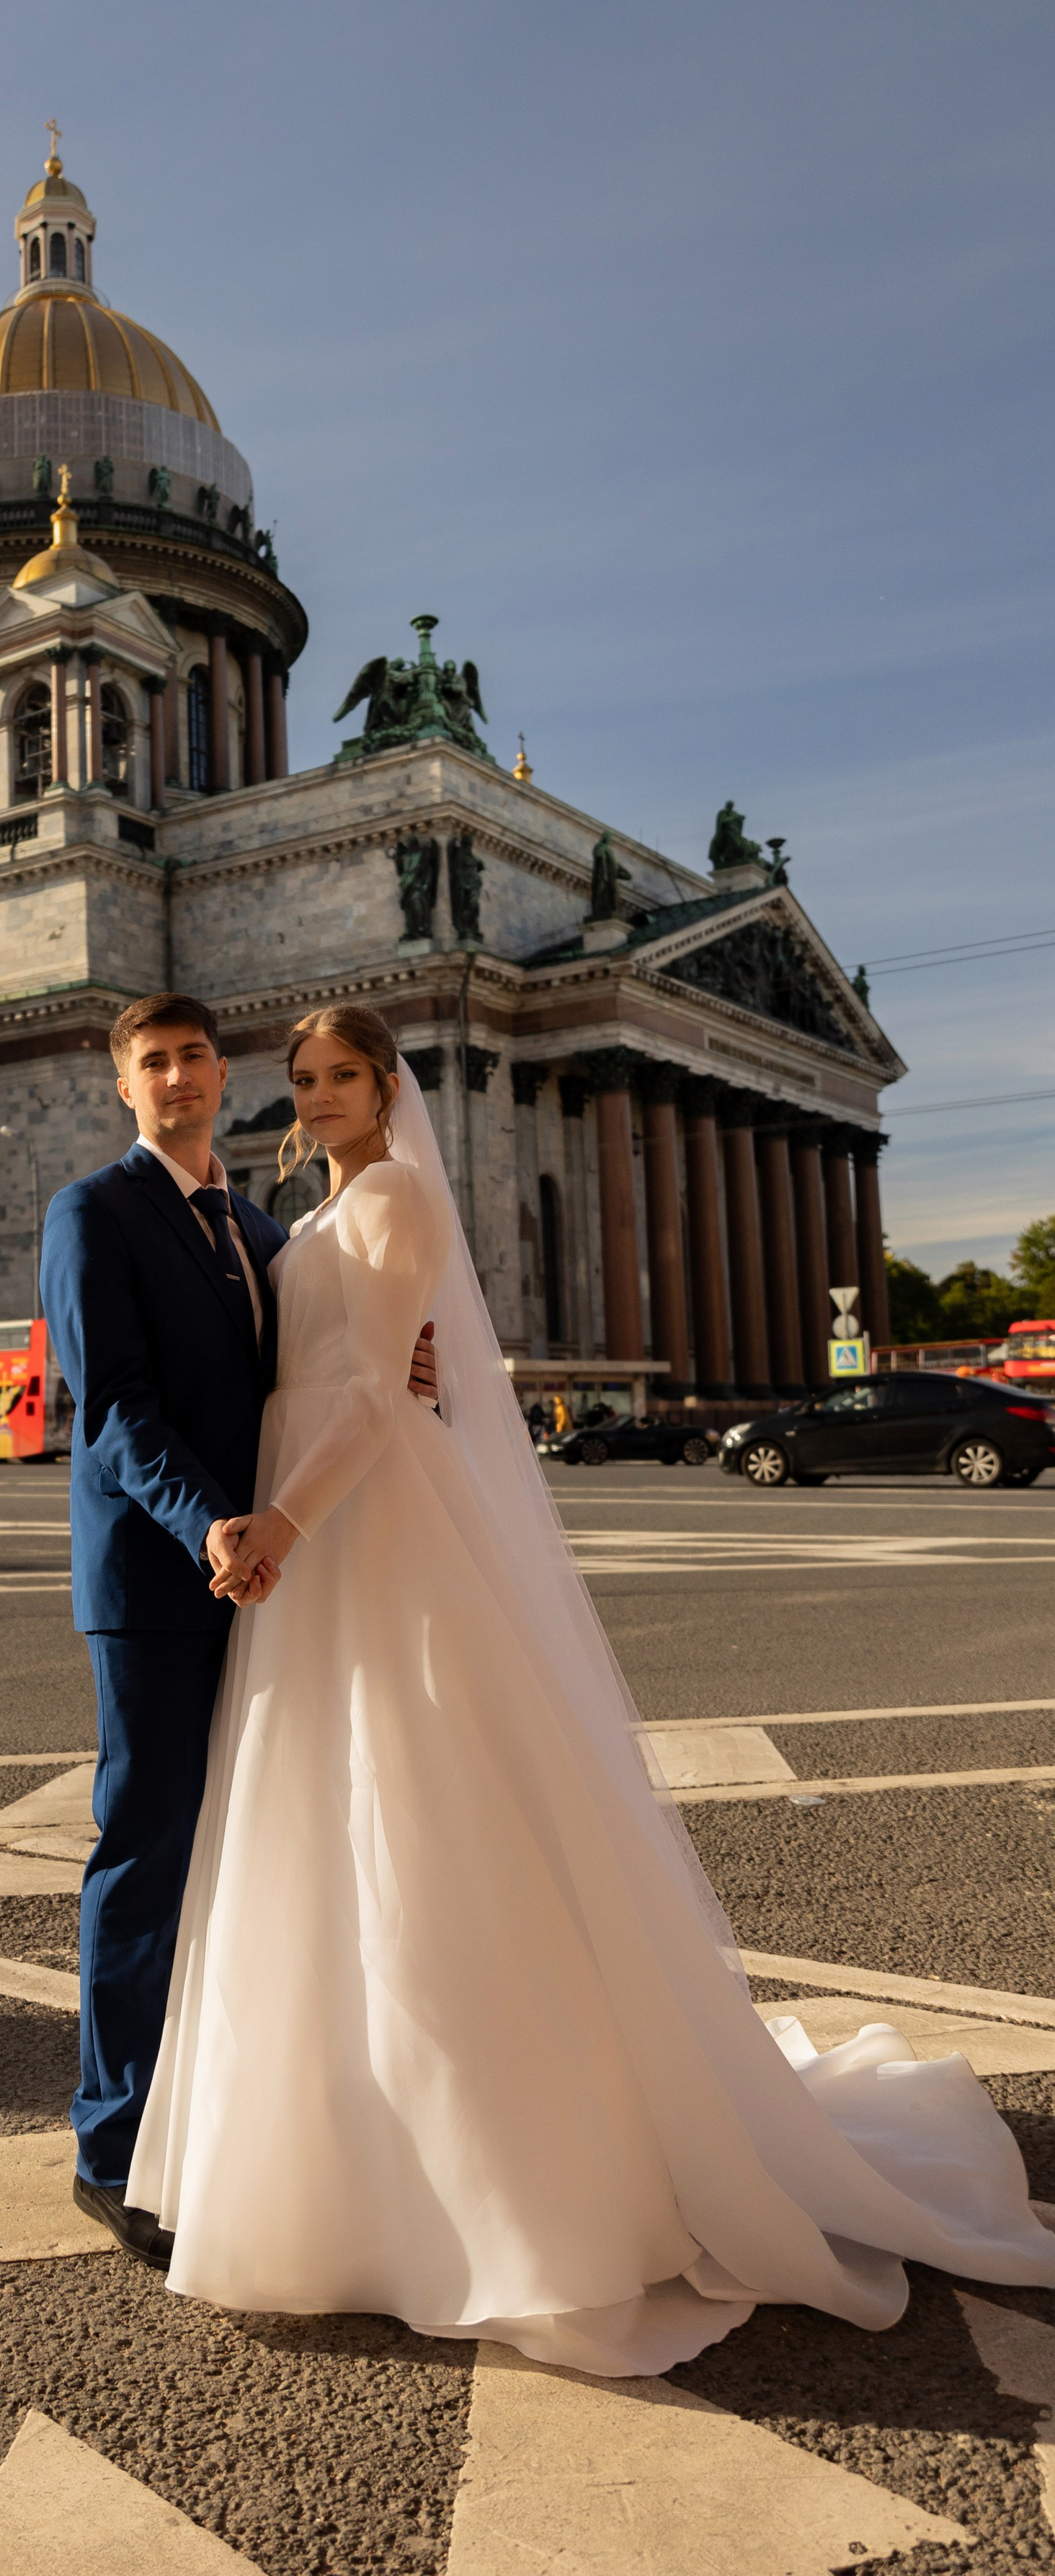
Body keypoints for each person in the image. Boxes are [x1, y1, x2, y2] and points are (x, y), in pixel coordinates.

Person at [127, 1002, 1055, 2375]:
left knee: (420, 1809)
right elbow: (342, 1362)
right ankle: (361, 2156)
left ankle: (487, 2174)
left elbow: (379, 1396)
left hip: (357, 1528)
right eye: (302, 1079)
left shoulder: (385, 1204)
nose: (313, 1097)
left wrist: (282, 1523)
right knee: (333, 1820)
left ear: (390, 1090)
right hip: (328, 1536)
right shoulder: (302, 1221)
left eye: (340, 1078)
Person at [39, 993, 435, 2269]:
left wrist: (408, 1358)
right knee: (147, 1848)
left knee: (252, 1848)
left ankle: (214, 2118)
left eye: (196, 1056)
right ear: (124, 1086)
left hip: (266, 1581)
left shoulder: (265, 1226)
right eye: (151, 1062)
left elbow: (324, 1360)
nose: (178, 1078)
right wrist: (212, 1523)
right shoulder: (94, 1212)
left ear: (221, 1073)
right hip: (167, 1579)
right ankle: (113, 2147)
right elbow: (111, 1410)